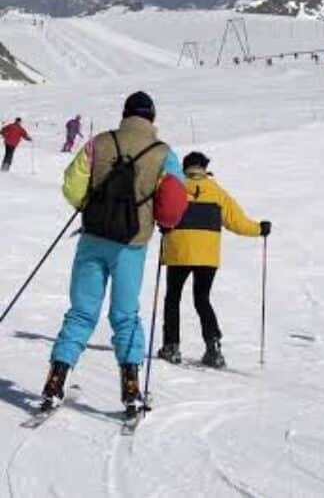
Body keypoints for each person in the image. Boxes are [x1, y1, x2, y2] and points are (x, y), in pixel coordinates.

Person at [40, 92, 188, 413]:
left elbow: (71, 184)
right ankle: (131, 387)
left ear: (125, 114)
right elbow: (174, 201)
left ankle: (56, 379)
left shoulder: (100, 142)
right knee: (125, 315)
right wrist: (163, 222)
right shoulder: (164, 153)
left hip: (93, 238)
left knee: (81, 312)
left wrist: (88, 207)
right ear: (151, 118)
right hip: (131, 246)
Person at [158, 152, 271, 368]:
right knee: (202, 299)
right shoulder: (217, 192)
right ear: (204, 167)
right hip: (207, 255)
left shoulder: (175, 187)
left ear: (185, 167)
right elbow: (237, 222)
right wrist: (259, 229)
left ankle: (171, 346)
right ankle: (213, 347)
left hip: (178, 252)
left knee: (173, 298)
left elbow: (162, 212)